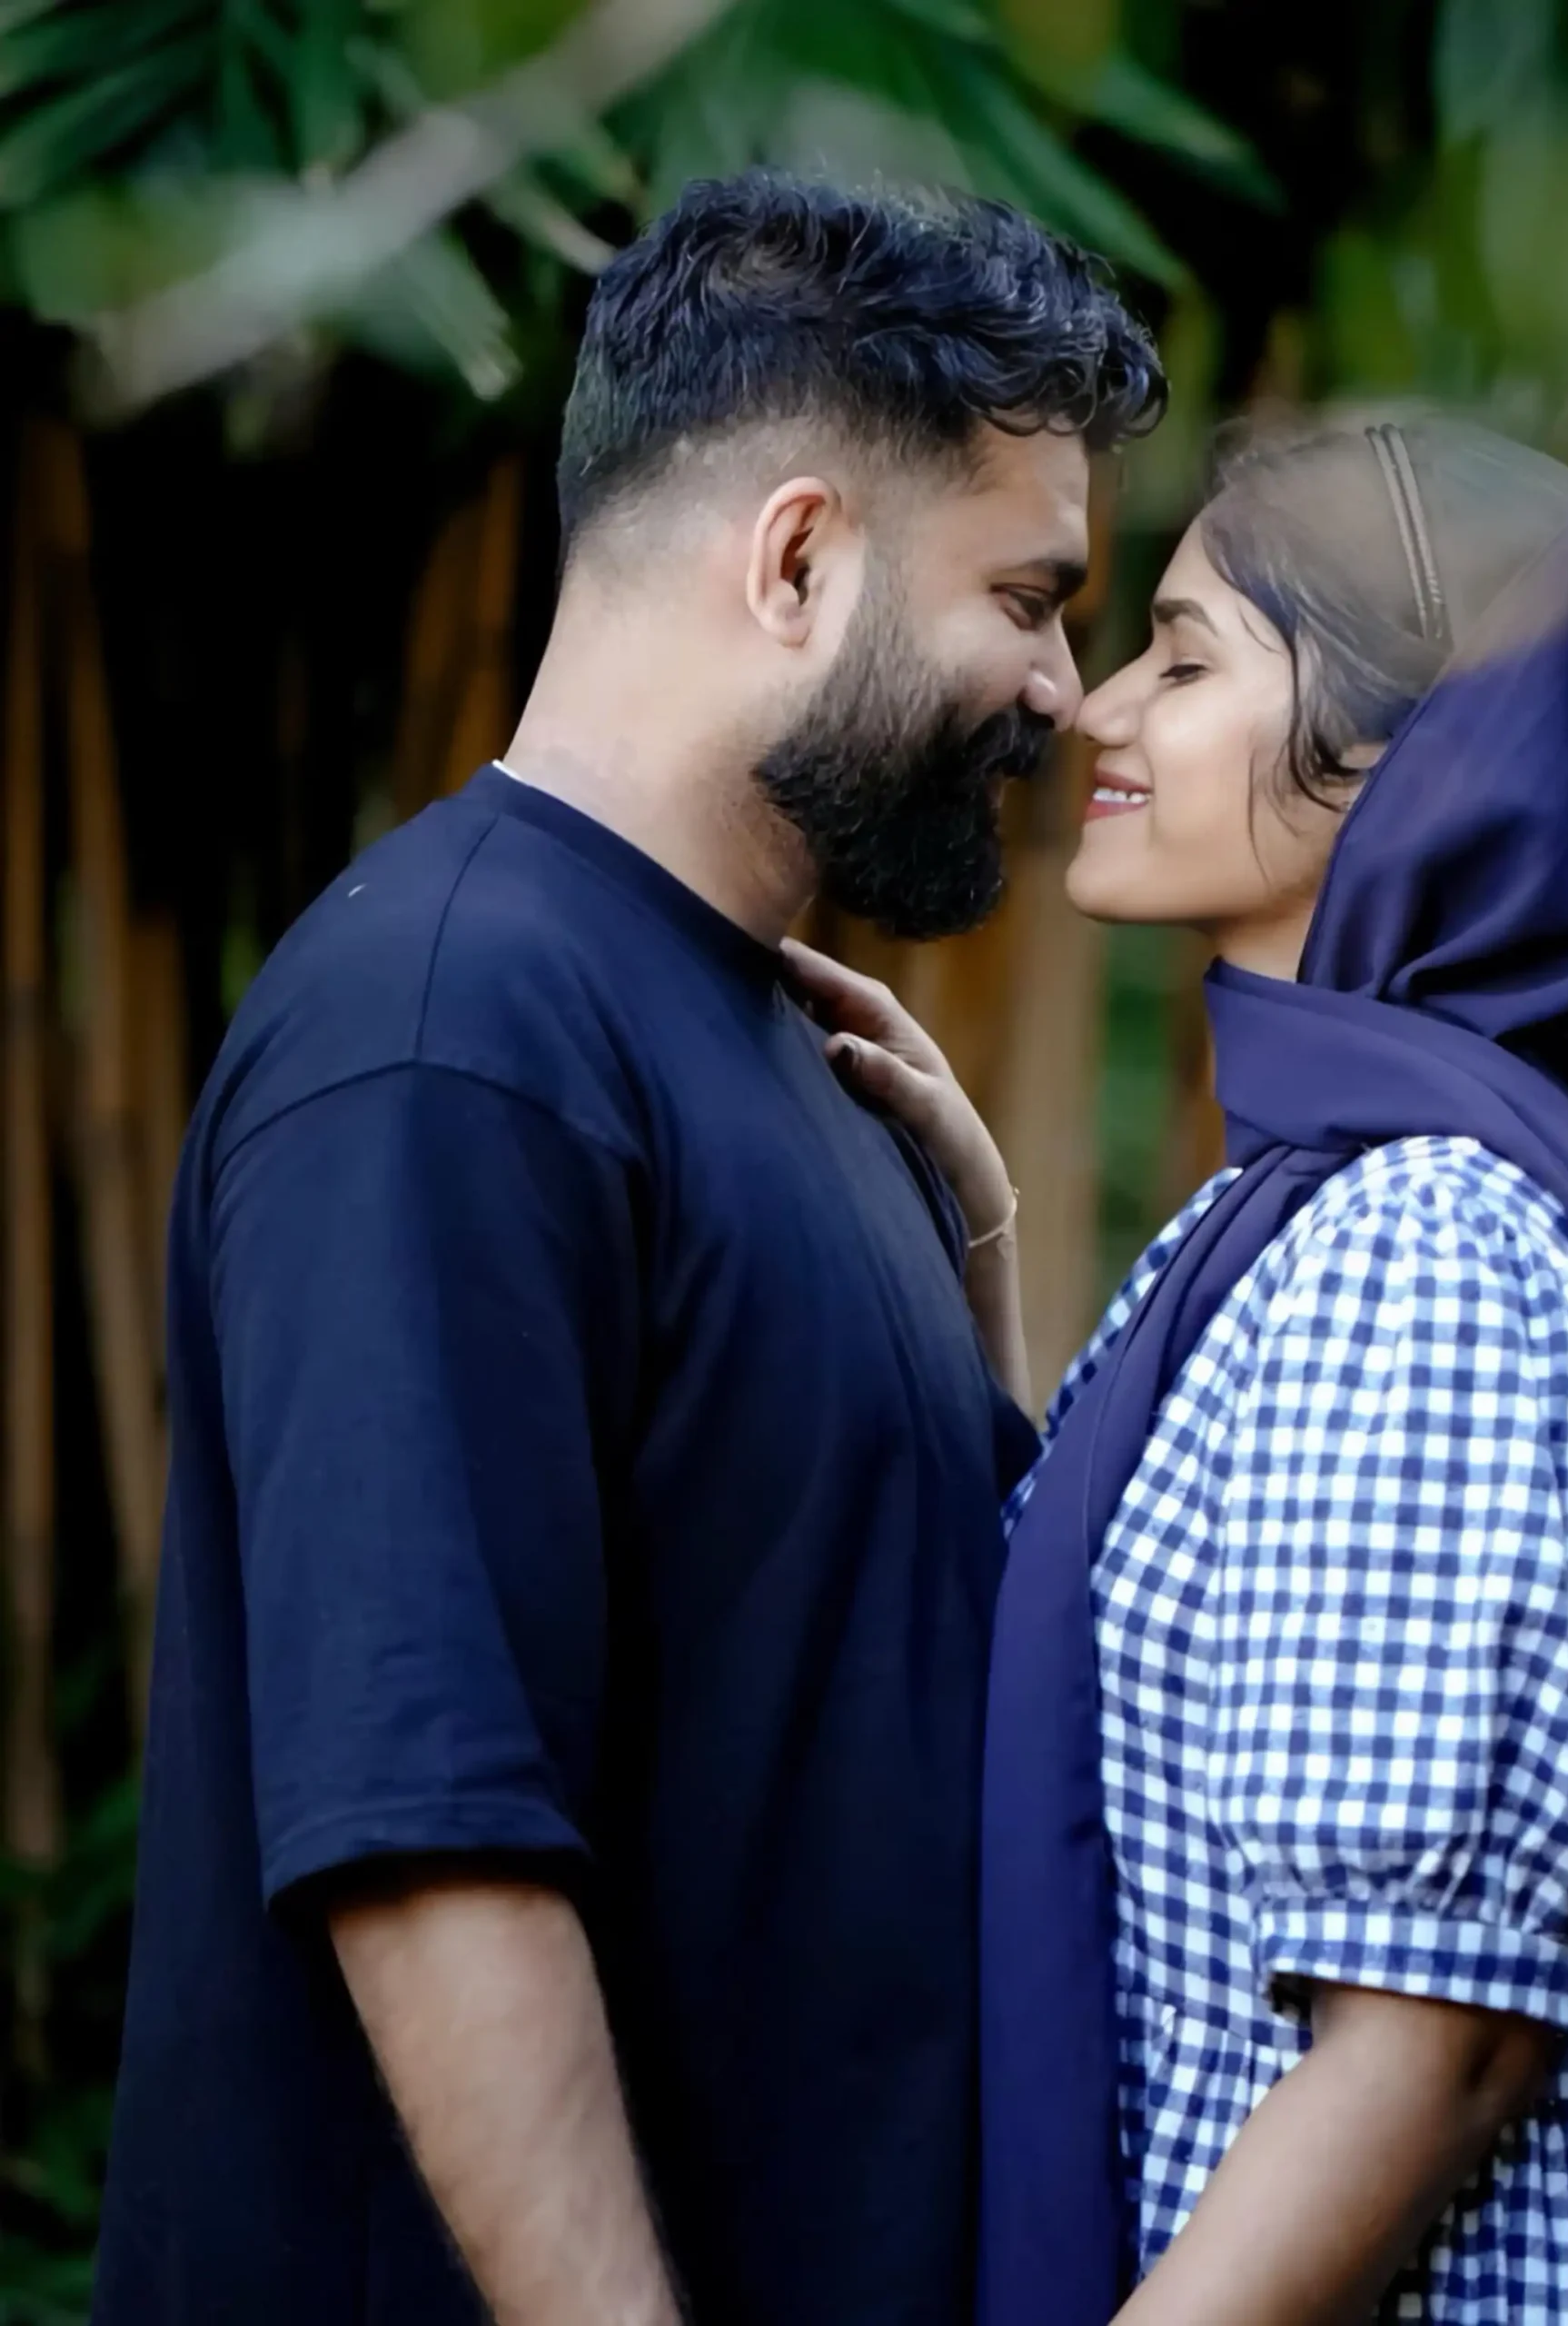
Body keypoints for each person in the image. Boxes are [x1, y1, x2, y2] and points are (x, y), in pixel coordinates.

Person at [91, 173, 1162, 2326]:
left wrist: (979, 1271)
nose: (1063, 688)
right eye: (1027, 597)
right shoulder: (448, 1036)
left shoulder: (792, 1047)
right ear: (797, 557)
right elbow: (428, 1840)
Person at [795, 417, 1568, 2325]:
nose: (1097, 710)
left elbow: (1425, 2047)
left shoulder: (1423, 1250)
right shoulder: (1335, 1208)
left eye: (1185, 661)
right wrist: (987, 1246)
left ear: (1430, 766)